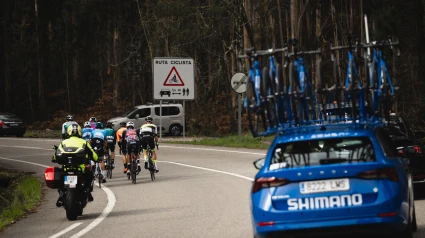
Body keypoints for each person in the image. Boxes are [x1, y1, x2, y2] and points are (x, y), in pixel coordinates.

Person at [52, 123, 98, 205]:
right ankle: (87, 191)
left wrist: (55, 159)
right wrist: (97, 159)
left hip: (66, 169)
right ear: (80, 132)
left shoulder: (64, 142)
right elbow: (94, 155)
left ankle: (61, 193)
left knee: (59, 178)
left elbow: (56, 155)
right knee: (90, 174)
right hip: (80, 169)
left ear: (68, 132)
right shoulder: (84, 142)